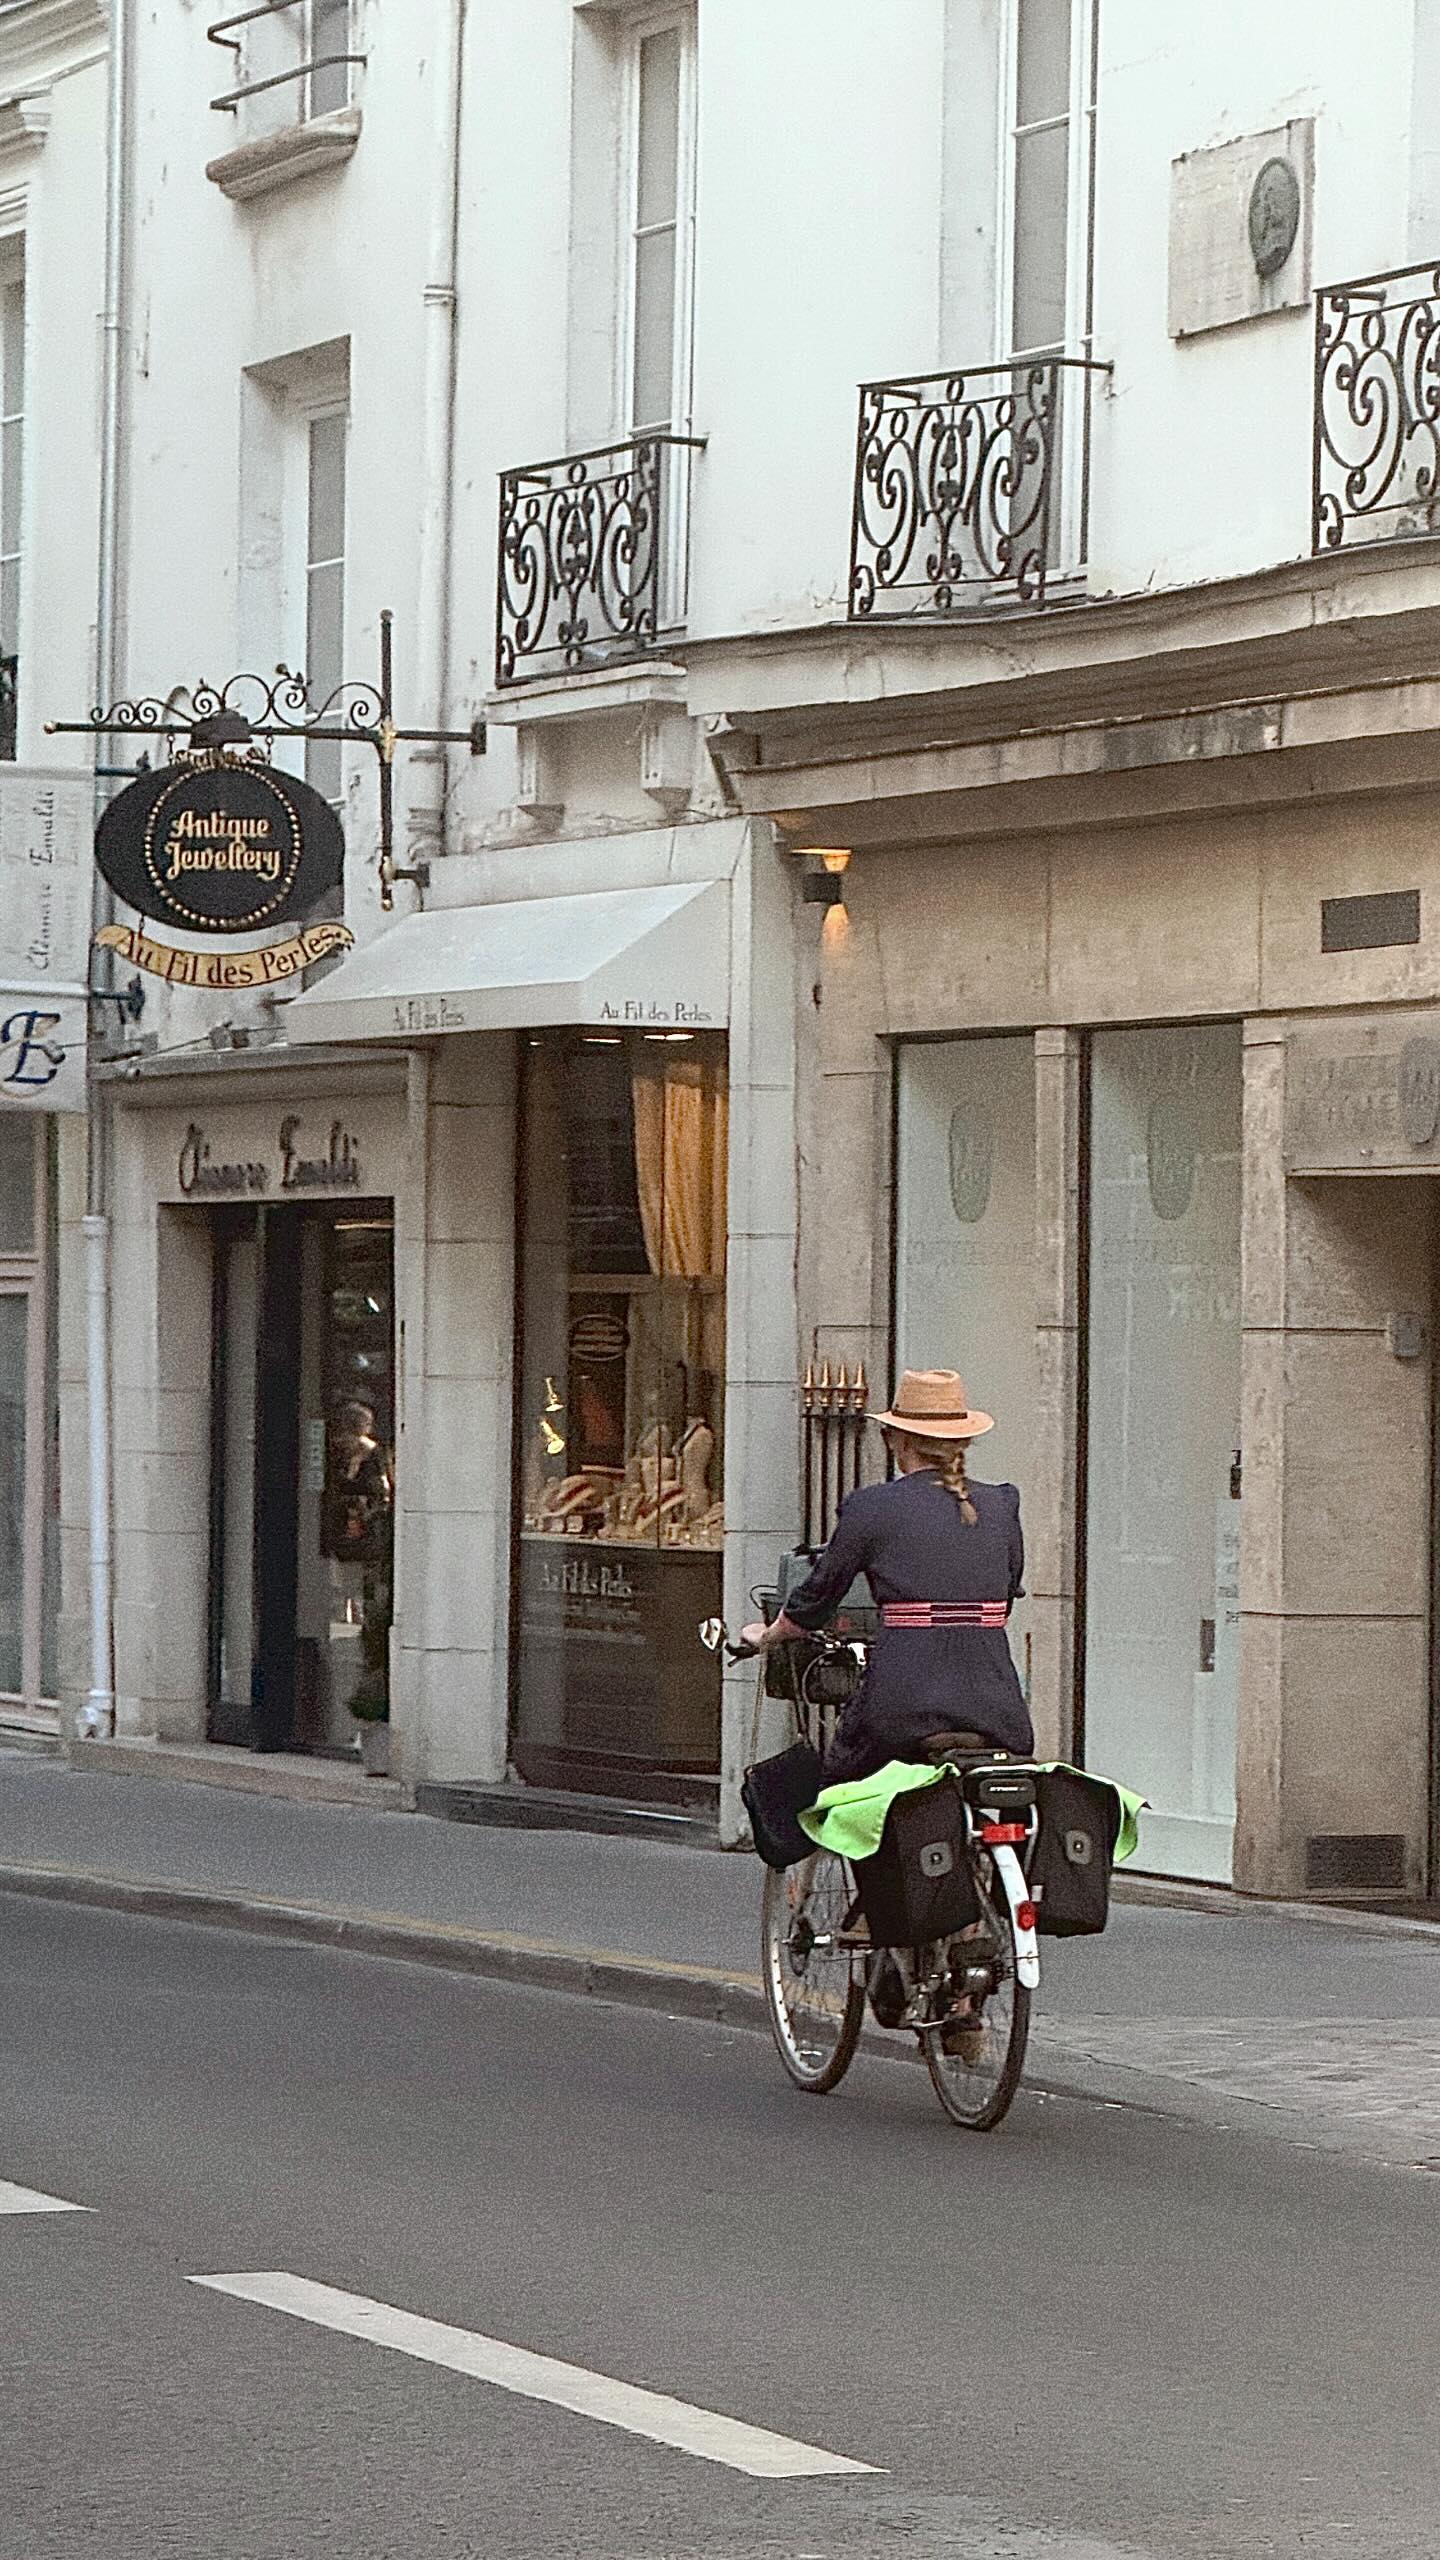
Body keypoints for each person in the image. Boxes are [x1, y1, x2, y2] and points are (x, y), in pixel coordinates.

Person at [740, 1367, 1032, 1785]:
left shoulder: (872, 1507)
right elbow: (1005, 1596)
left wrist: (768, 1635)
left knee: (839, 1783)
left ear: (897, 1439)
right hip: (996, 1704)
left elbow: (817, 1598)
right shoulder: (1001, 1504)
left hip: (902, 1701)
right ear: (963, 1441)